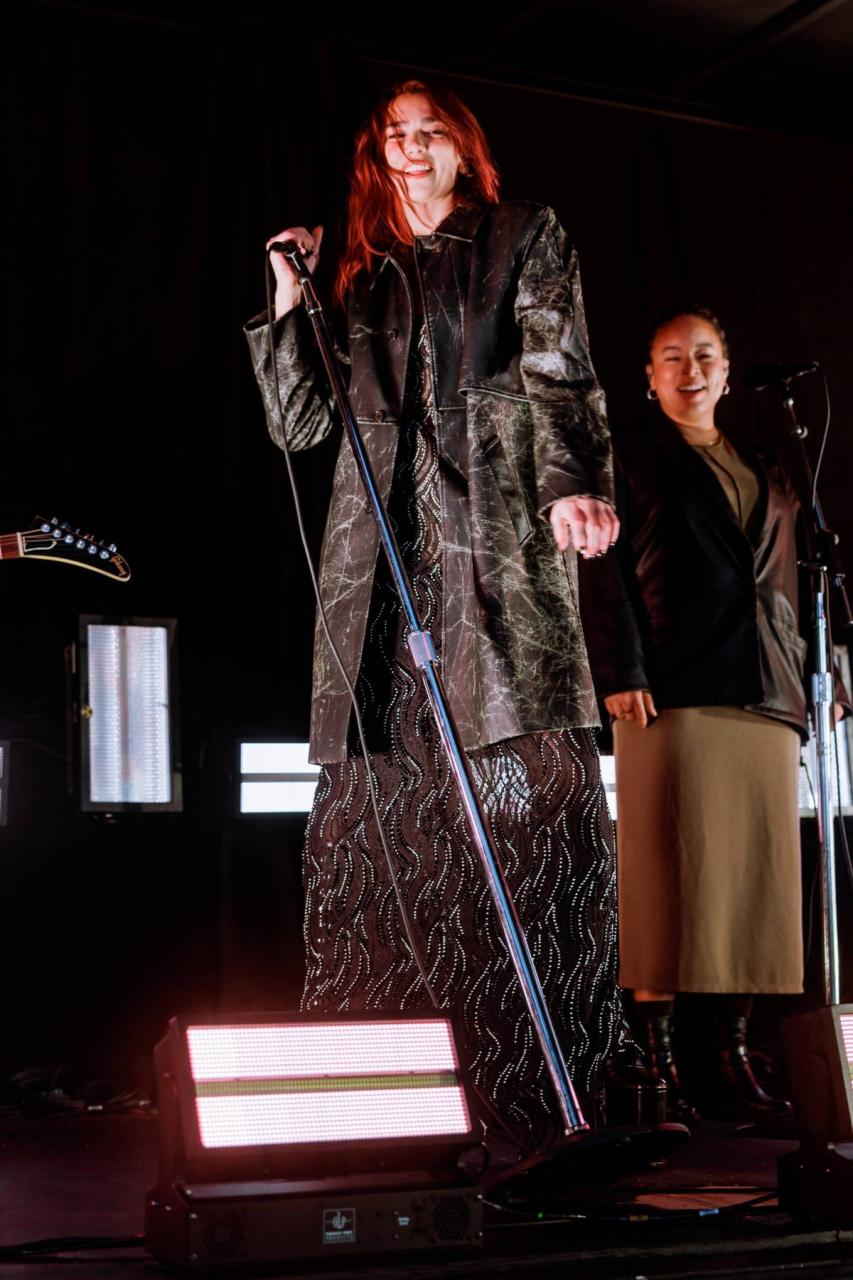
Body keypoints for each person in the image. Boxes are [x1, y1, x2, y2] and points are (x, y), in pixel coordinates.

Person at [245, 79, 632, 1154]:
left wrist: (571, 482)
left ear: (463, 148)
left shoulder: (519, 237)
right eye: (393, 138)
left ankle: (546, 1095)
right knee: (388, 838)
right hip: (380, 587)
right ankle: (386, 1104)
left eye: (430, 135)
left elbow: (563, 372)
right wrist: (291, 293)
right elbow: (295, 423)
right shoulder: (357, 283)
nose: (411, 152)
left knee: (521, 817)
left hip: (489, 559)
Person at [581, 307, 837, 1119]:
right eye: (670, 358)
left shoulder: (767, 463)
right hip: (670, 689)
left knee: (752, 882)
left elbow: (795, 580)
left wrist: (821, 672)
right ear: (648, 378)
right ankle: (651, 1066)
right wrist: (617, 669)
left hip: (766, 692)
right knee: (667, 878)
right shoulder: (628, 459)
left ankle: (727, 1061)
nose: (689, 370)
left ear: (726, 371)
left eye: (703, 356)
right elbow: (599, 571)